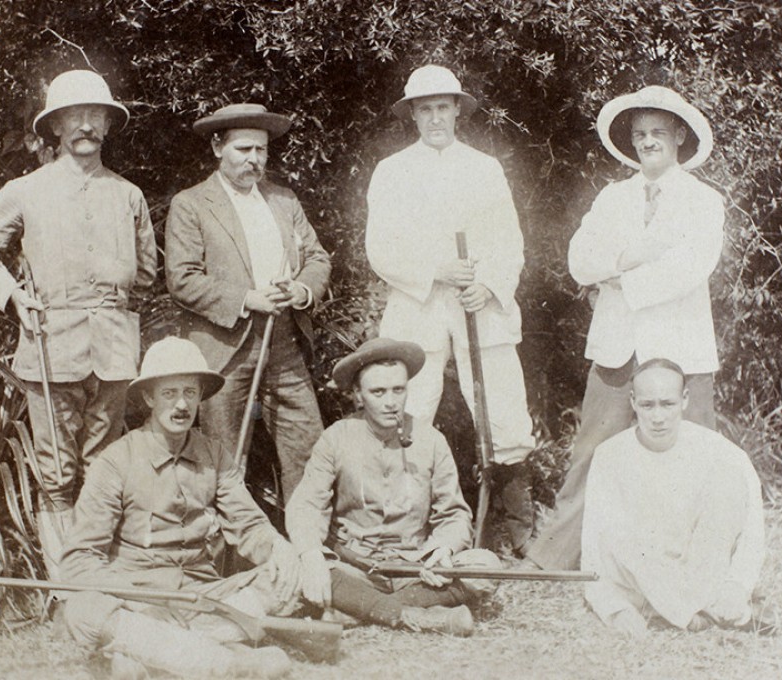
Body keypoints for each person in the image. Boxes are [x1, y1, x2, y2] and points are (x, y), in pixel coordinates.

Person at [0, 70, 157, 580]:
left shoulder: (128, 195)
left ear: (109, 127)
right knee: (56, 472)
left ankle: (104, 574)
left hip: (114, 348)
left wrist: (112, 303)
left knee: (105, 462)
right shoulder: (26, 191)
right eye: (76, 116)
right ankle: (67, 582)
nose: (87, 126)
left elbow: (147, 273)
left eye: (97, 116)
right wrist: (14, 297)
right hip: (51, 344)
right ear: (56, 127)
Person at [526, 85, 725, 570]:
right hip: (617, 342)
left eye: (658, 131)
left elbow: (692, 266)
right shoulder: (613, 197)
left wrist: (618, 282)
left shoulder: (703, 200)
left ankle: (703, 560)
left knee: (694, 451)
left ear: (679, 135)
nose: (648, 141)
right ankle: (555, 556)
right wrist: (629, 258)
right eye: (640, 133)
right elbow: (580, 260)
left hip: (681, 344)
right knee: (593, 448)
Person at [365, 65, 537, 554]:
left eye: (444, 107)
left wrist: (487, 285)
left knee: (502, 413)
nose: (435, 117)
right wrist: (435, 269)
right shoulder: (393, 171)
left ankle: (512, 532)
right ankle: (406, 528)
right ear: (413, 115)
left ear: (458, 110)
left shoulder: (484, 168)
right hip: (418, 307)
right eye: (425, 109)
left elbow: (511, 243)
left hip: (479, 306)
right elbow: (379, 249)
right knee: (409, 411)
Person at [61, 336, 302, 678]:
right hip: (136, 598)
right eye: (169, 393)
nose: (181, 406)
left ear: (200, 396)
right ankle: (226, 664)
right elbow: (80, 559)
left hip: (204, 596)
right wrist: (138, 601)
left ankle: (152, 654)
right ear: (148, 397)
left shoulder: (215, 455)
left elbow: (249, 526)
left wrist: (280, 549)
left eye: (190, 392)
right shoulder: (115, 461)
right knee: (83, 610)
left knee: (288, 579)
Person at [166, 103, 331, 499]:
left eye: (261, 150)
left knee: (307, 448)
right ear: (217, 147)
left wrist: (301, 290)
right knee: (224, 457)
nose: (254, 159)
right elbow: (182, 279)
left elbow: (317, 257)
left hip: (285, 345)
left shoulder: (283, 200)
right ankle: (232, 555)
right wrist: (248, 298)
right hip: (223, 351)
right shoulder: (191, 204)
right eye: (243, 149)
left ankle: (307, 547)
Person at [286, 338, 500, 636]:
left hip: (414, 569)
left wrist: (442, 550)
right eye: (378, 392)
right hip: (353, 567)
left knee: (485, 566)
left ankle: (358, 610)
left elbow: (453, 514)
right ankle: (414, 615)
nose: (390, 402)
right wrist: (310, 555)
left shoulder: (431, 440)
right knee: (290, 566)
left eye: (398, 390)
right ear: (358, 395)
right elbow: (307, 505)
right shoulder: (336, 438)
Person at [580, 358, 769, 637]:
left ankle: (712, 605)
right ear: (633, 402)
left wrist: (737, 587)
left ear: (684, 400)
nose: (658, 417)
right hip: (642, 588)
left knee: (728, 487)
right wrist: (614, 608)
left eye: (667, 404)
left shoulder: (721, 453)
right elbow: (594, 547)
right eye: (647, 405)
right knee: (617, 530)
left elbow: (752, 531)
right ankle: (698, 612)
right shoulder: (609, 456)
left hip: (702, 577)